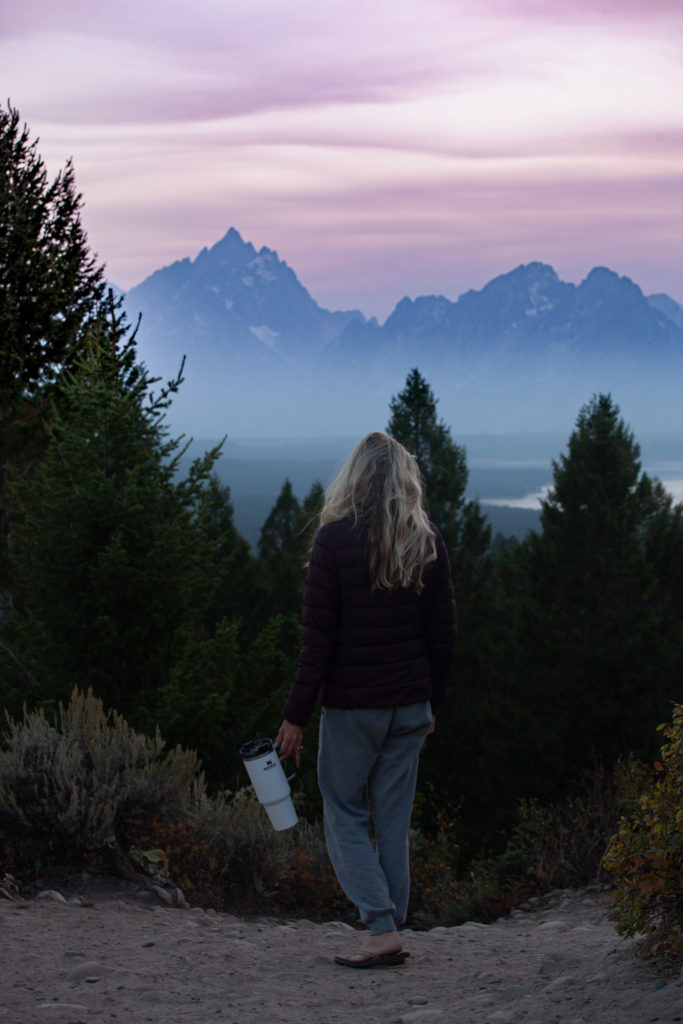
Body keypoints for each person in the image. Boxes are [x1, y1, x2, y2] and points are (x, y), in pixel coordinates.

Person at [276, 430, 456, 969]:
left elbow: (318, 641)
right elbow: (443, 635)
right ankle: (391, 922)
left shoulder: (333, 542)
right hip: (409, 707)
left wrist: (295, 716)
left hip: (355, 708)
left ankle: (381, 929)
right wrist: (432, 707)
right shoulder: (426, 540)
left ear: (354, 476)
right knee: (393, 817)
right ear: (404, 478)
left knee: (344, 808)